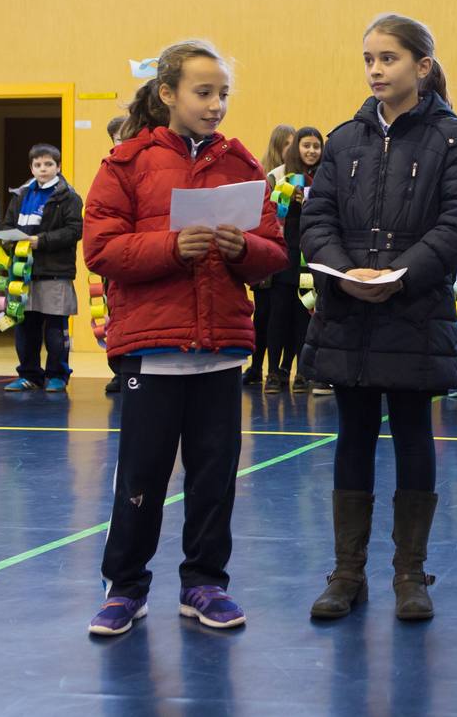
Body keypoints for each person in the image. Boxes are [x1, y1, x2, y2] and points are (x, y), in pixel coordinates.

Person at [83, 40, 287, 636]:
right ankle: (125, 588)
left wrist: (242, 248)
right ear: (168, 94)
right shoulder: (126, 164)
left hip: (221, 352)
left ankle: (204, 583)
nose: (216, 104)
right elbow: (100, 249)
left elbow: (272, 254)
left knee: (214, 475)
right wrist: (172, 247)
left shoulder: (244, 167)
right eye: (204, 92)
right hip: (154, 350)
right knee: (141, 476)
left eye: (223, 93)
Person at [301, 14, 457, 622]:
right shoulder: (343, 139)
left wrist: (398, 274)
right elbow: (316, 220)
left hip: (414, 311)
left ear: (421, 67)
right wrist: (346, 272)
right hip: (348, 315)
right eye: (369, 60)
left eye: (388, 58)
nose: (376, 70)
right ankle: (346, 572)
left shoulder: (454, 140)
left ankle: (411, 573)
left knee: (413, 436)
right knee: (351, 436)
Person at [3, 144, 84, 393]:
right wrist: (9, 243)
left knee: (56, 331)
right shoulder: (21, 195)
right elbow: (6, 225)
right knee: (25, 329)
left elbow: (74, 230)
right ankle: (29, 374)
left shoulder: (68, 196)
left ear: (58, 167)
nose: (43, 169)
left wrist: (42, 241)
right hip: (23, 273)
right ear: (31, 168)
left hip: (54, 271)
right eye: (38, 165)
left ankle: (58, 374)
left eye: (48, 164)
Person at [265, 126, 323, 394]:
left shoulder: (324, 178)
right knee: (278, 317)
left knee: (304, 316)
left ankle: (301, 372)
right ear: (297, 148)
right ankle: (273, 373)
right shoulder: (286, 178)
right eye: (306, 146)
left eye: (316, 146)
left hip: (310, 259)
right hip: (285, 256)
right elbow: (276, 215)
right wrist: (291, 199)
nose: (311, 151)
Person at [246, 124, 296, 388]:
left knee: (282, 315)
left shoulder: (295, 179)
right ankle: (256, 366)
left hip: (287, 255)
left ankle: (280, 369)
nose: (293, 149)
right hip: (266, 253)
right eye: (288, 144)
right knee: (262, 314)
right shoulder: (268, 176)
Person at [102, 116, 127, 394]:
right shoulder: (108, 170)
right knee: (111, 314)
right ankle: (117, 369)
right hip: (113, 254)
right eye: (118, 138)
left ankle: (130, 366)